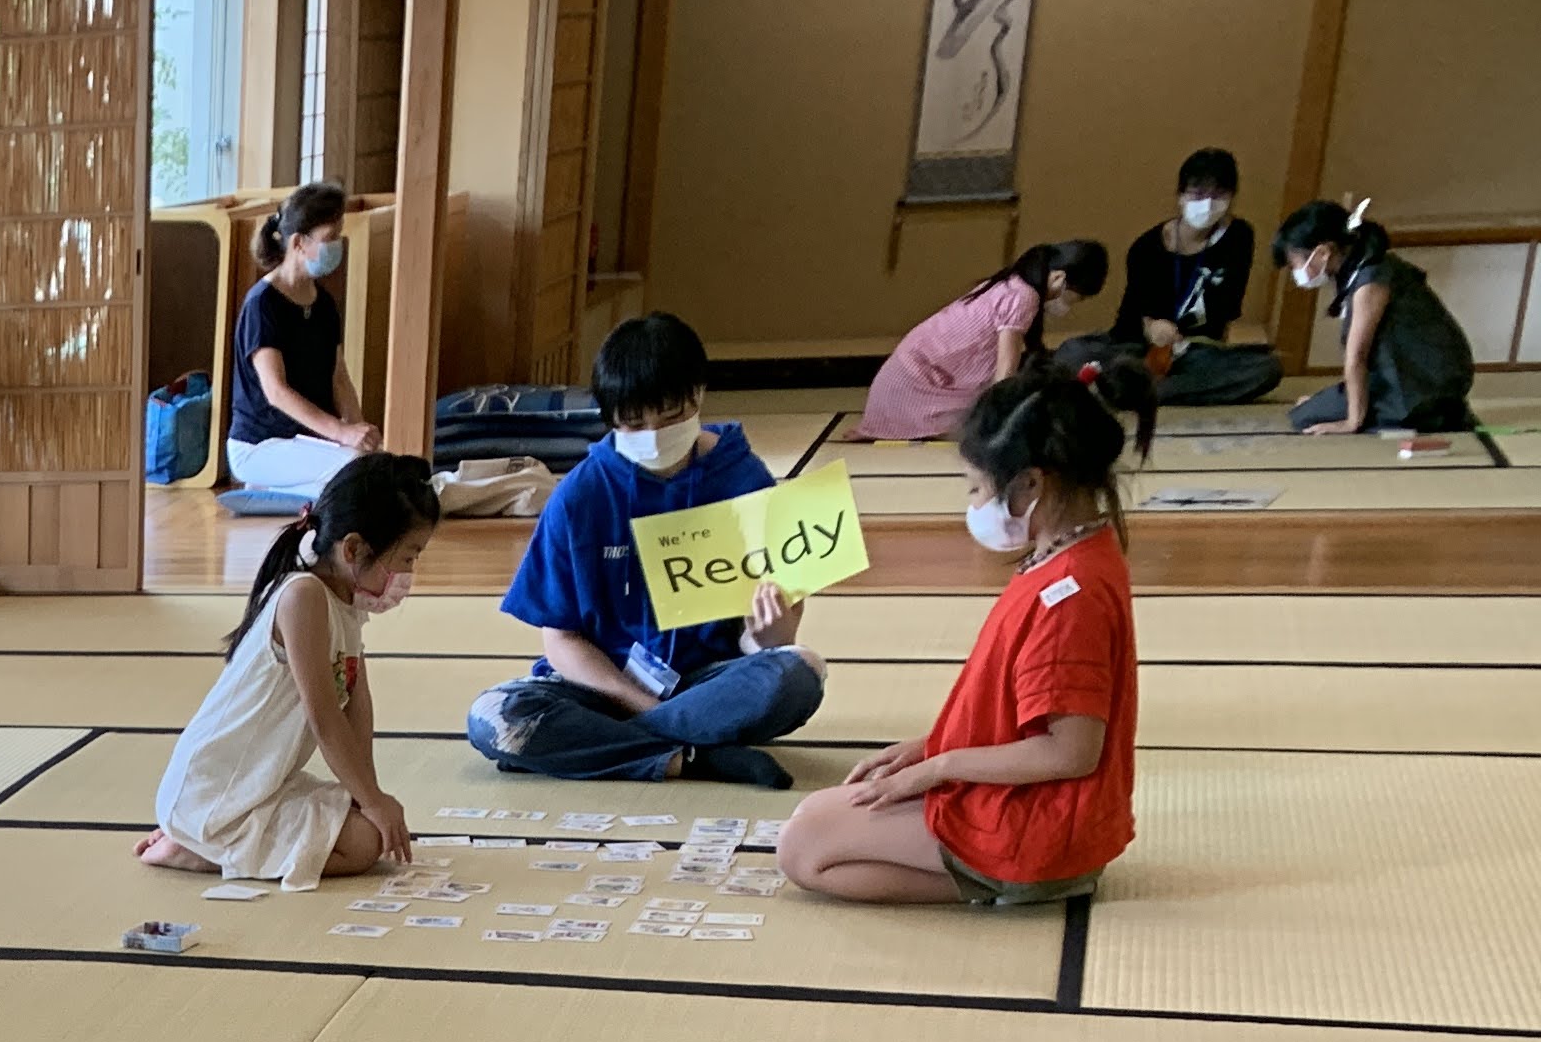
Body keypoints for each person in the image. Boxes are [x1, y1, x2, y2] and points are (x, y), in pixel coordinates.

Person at [783, 365, 1143, 907]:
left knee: (802, 848)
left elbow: (1070, 753)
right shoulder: (1071, 554)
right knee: (816, 817)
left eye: (977, 487)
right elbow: (1014, 710)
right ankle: (1017, 876)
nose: (973, 504)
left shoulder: (1072, 595)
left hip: (1039, 823)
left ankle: (1017, 881)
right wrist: (930, 747)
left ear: (1030, 484)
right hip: (1044, 810)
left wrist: (940, 767)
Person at [464, 311, 827, 787]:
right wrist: (639, 702)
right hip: (604, 687)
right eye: (633, 424)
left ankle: (599, 748)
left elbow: (763, 639)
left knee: (799, 673)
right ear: (610, 418)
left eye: (671, 416)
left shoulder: (744, 480)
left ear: (698, 395)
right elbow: (561, 640)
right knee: (495, 713)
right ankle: (697, 758)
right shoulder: (581, 494)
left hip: (707, 683)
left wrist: (769, 634)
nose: (654, 435)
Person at [136, 452, 437, 886]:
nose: (410, 573)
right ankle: (200, 847)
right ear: (352, 548)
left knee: (366, 822)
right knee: (364, 843)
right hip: (218, 791)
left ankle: (207, 838)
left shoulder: (347, 606)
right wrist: (372, 801)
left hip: (262, 784)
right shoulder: (304, 598)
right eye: (407, 557)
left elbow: (356, 706)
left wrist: (365, 793)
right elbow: (324, 718)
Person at [858, 238, 1106, 439]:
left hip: (901, 379)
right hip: (909, 388)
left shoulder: (1014, 283)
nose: (1073, 305)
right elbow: (1004, 375)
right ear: (1060, 278)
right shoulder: (1023, 297)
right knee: (988, 424)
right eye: (1078, 297)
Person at [223, 182, 376, 498]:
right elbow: (276, 392)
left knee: (376, 466)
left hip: (309, 442)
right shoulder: (262, 304)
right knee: (357, 475)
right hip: (260, 445)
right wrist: (340, 432)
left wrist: (357, 429)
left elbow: (339, 379)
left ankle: (287, 489)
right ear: (298, 243)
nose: (337, 245)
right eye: (329, 238)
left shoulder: (323, 304)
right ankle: (271, 485)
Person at [1094, 146, 1279, 406]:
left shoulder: (1239, 237)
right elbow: (1139, 313)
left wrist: (1209, 351)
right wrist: (1154, 329)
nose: (1208, 203)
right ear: (1181, 196)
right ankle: (1137, 385)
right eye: (1198, 193)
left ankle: (1140, 392)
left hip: (1194, 349)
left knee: (1267, 369)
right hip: (1140, 345)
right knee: (1077, 352)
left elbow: (1226, 309)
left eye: (1218, 194)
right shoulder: (1147, 247)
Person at [1279, 199, 1476, 434]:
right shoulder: (1366, 268)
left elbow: (1357, 356)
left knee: (1306, 417)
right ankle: (1437, 413)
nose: (1296, 273)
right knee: (1311, 410)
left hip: (1424, 382)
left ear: (1322, 252)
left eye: (1295, 264)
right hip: (1414, 376)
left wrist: (1351, 422)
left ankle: (1434, 414)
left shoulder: (1372, 281)